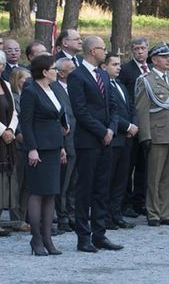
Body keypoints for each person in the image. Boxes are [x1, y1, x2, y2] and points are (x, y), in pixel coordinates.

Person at [68, 35, 123, 252]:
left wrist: (111, 129)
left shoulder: (102, 74)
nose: (105, 52)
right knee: (85, 189)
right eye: (102, 49)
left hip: (106, 140)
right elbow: (80, 111)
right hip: (88, 141)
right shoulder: (77, 76)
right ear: (93, 51)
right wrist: (102, 131)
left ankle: (100, 233)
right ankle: (83, 236)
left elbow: (113, 105)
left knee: (102, 188)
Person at [20, 55, 68, 255]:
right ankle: (36, 239)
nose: (57, 71)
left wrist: (62, 146)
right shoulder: (31, 91)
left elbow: (58, 119)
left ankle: (48, 239)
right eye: (53, 69)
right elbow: (26, 122)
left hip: (54, 146)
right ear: (44, 71)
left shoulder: (54, 89)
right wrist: (32, 148)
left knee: (51, 193)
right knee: (38, 192)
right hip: (38, 148)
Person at [135, 42, 169, 227]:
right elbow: (142, 110)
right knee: (154, 177)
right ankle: (153, 213)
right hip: (157, 135)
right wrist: (145, 136)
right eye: (165, 57)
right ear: (154, 60)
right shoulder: (145, 80)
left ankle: (166, 213)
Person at [102, 52, 138, 230]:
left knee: (122, 180)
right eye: (114, 64)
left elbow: (131, 107)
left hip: (127, 139)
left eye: (119, 64)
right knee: (109, 178)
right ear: (104, 66)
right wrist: (127, 126)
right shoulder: (104, 86)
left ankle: (117, 214)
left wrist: (134, 124)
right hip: (114, 138)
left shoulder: (121, 85)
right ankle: (106, 217)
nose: (119, 67)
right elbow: (111, 111)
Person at [117, 38, 151, 217]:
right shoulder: (125, 70)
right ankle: (126, 202)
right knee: (128, 165)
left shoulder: (152, 69)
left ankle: (141, 201)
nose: (140, 51)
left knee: (144, 166)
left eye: (143, 48)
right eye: (136, 48)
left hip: (149, 125)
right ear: (132, 50)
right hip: (132, 124)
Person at [51, 58, 77, 232]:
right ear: (61, 73)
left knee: (75, 181)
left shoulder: (77, 87)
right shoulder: (53, 89)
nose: (75, 71)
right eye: (71, 69)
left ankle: (72, 213)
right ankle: (63, 217)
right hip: (64, 141)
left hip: (79, 140)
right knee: (63, 182)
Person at [9, 67, 32, 233]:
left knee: (26, 184)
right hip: (18, 144)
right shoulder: (14, 98)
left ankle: (23, 217)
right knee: (17, 183)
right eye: (25, 78)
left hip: (29, 144)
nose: (28, 81)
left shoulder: (29, 96)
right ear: (17, 80)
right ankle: (16, 219)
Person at [0, 50, 19, 238]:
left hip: (7, 140)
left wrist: (11, 130)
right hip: (1, 136)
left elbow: (14, 111)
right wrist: (2, 131)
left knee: (4, 179)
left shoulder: (5, 84)